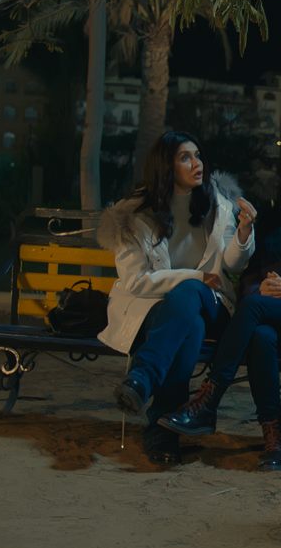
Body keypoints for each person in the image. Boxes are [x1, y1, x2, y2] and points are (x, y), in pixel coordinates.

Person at [159, 149, 281, 471]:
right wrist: (260, 290)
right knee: (261, 335)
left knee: (253, 309)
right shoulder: (271, 220)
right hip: (270, 320)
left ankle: (209, 400)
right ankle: (275, 439)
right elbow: (250, 278)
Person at [97, 130, 256, 464]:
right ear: (165, 167)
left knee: (191, 300)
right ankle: (163, 431)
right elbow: (136, 282)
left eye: (197, 155)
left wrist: (243, 234)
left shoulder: (219, 206)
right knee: (190, 326)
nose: (197, 163)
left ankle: (143, 377)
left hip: (215, 304)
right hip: (155, 308)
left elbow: (233, 264)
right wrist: (195, 276)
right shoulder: (132, 217)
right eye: (185, 157)